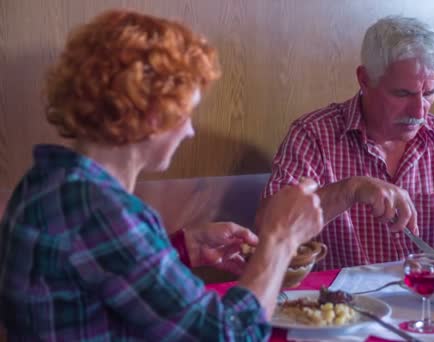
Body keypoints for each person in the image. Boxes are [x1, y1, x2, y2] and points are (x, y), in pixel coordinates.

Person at [0, 10, 323, 341]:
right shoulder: (100, 209)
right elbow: (229, 334)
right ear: (153, 112)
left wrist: (184, 248)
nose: (190, 131)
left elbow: (102, 273)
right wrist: (280, 239)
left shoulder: (47, 180)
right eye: (185, 114)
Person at [262, 16, 434, 270]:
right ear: (365, 79)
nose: (419, 112)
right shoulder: (313, 135)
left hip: (427, 304)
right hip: (342, 308)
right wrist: (351, 189)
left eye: (429, 93)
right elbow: (269, 226)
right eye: (403, 93)